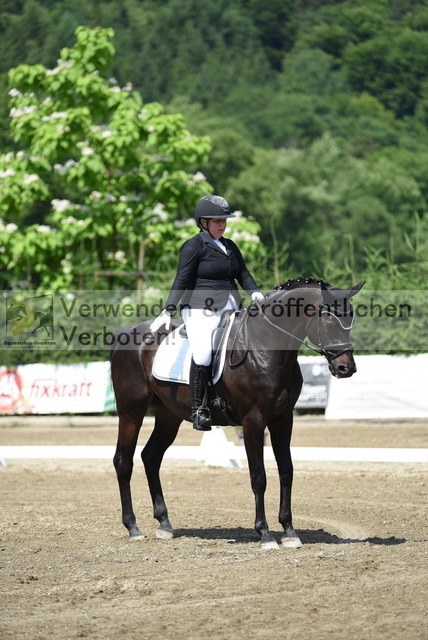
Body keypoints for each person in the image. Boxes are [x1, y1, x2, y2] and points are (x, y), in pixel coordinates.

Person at [150, 195, 264, 430]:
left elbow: (243, 274)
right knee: (202, 354)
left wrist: (255, 293)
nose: (222, 225)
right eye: (217, 221)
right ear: (203, 222)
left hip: (232, 307)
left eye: (224, 221)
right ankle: (199, 408)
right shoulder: (194, 246)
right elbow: (182, 278)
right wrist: (168, 309)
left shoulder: (230, 246)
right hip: (199, 308)